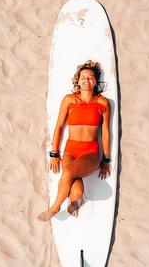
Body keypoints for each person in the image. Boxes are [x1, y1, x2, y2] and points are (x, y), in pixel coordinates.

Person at [37, 60, 111, 221]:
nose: (86, 80)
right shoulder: (69, 100)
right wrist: (54, 153)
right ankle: (75, 200)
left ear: (96, 81)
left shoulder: (102, 103)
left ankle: (54, 208)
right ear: (77, 80)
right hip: (71, 151)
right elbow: (59, 127)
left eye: (90, 77)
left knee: (69, 172)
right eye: (83, 77)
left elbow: (105, 133)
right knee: (76, 191)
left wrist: (106, 159)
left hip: (90, 154)